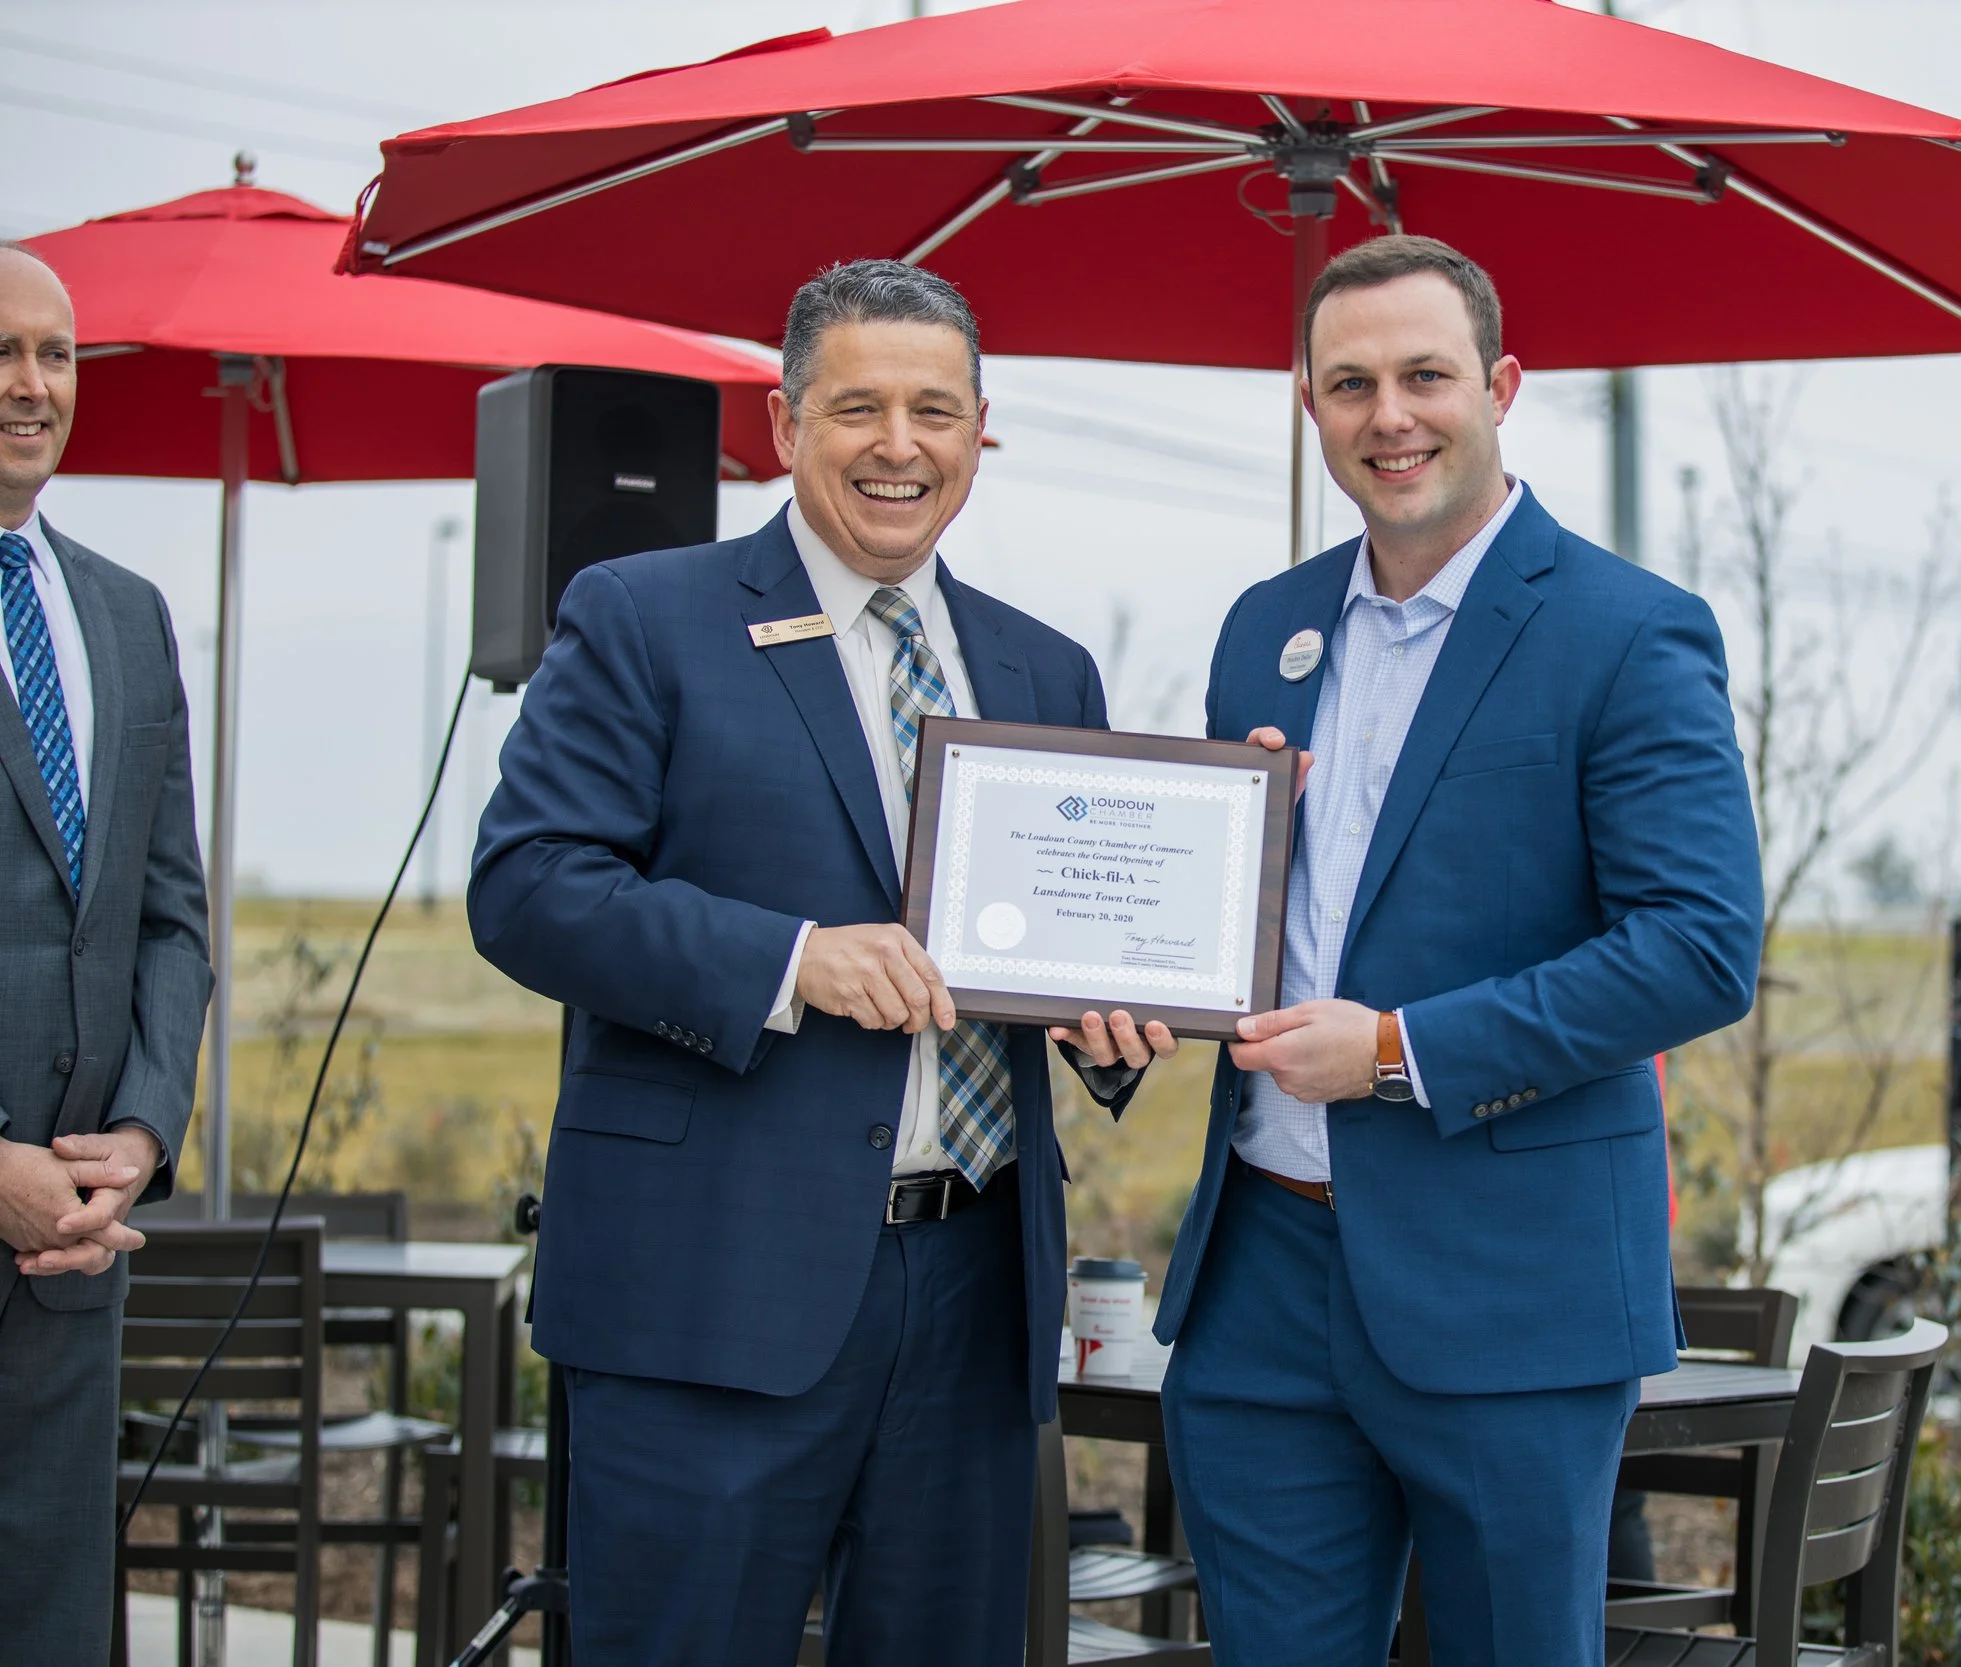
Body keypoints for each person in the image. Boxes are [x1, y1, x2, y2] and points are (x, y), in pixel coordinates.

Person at [469, 259, 1177, 1666]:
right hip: (709, 1283)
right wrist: (793, 960)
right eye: (858, 407)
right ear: (784, 421)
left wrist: (1112, 1022)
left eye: (934, 409)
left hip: (976, 1288)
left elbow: (1075, 943)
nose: (899, 446)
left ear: (986, 429)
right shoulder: (642, 615)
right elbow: (528, 885)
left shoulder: (1046, 671)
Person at [1152, 236, 1763, 1666]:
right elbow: (1254, 924)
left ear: (1500, 384)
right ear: (1310, 406)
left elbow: (1699, 946)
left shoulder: (1629, 631)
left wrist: (1392, 1051)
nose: (1391, 415)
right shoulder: (1266, 628)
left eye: (1426, 375)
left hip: (1512, 1284)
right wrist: (1170, 942)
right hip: (1260, 1274)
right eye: (1350, 383)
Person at [0, 242, 215, 1664]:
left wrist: (139, 1125)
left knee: (54, 1620)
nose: (30, 385)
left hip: (79, 1245)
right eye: (3, 352)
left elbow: (171, 910)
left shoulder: (128, 614)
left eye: (56, 354)